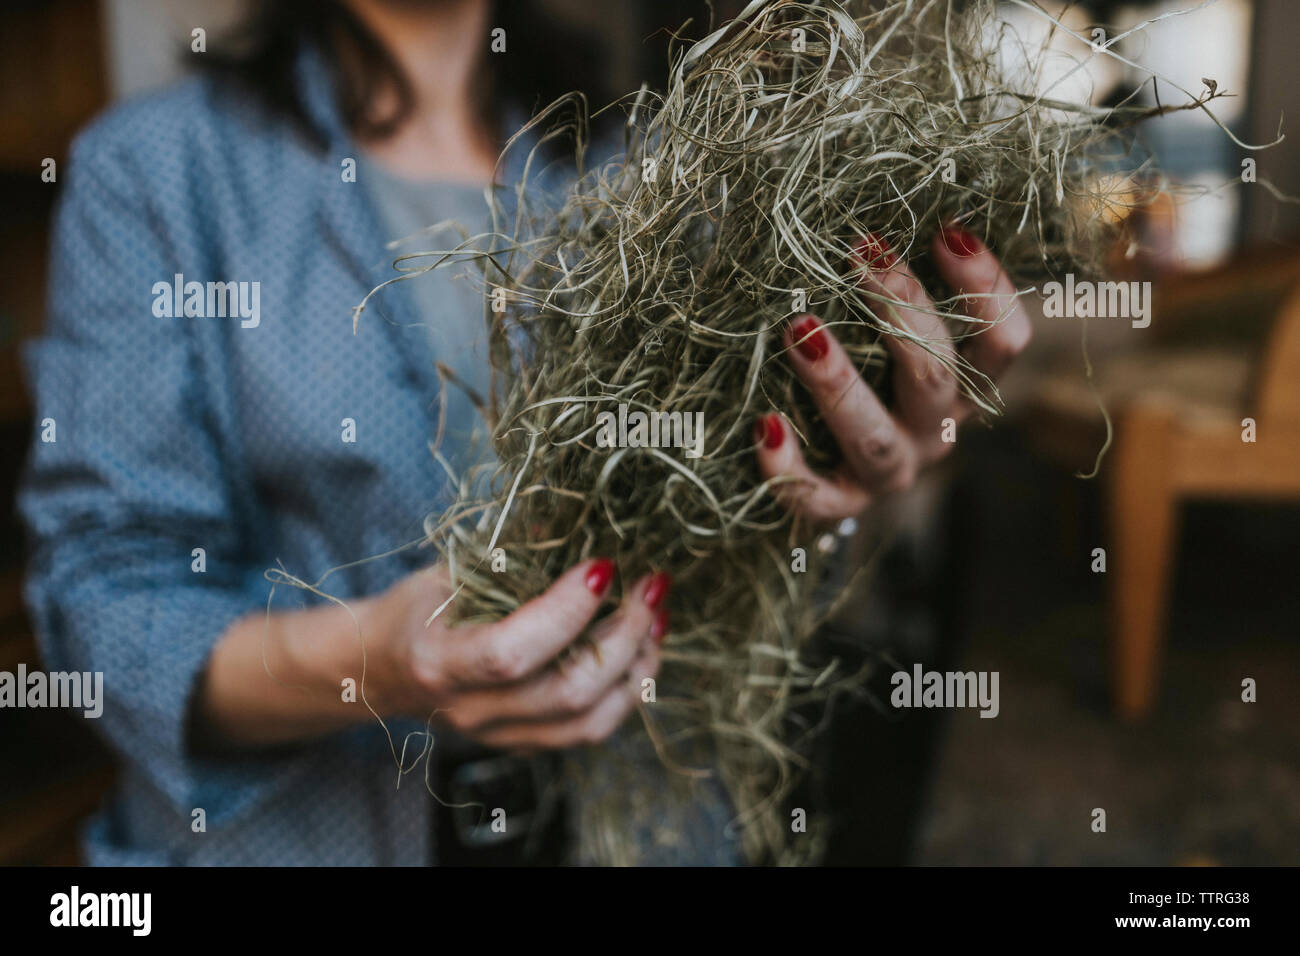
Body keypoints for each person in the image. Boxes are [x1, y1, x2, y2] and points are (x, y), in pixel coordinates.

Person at [19, 0, 1031, 866]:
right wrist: (372, 663)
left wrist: (843, 459)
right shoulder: (157, 172)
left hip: (645, 820)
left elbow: (736, 527)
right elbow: (104, 603)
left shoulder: (643, 165)